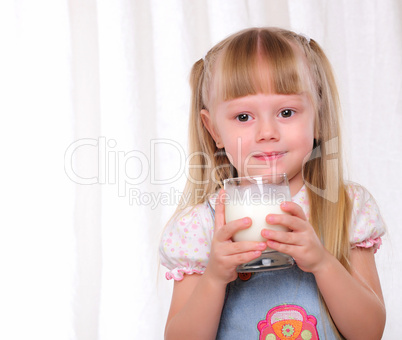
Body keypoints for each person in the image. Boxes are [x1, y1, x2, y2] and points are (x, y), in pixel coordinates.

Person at [159, 27, 386, 339]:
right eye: (243, 117)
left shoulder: (346, 207)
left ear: (317, 117)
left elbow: (369, 332)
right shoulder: (199, 227)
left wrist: (322, 263)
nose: (267, 132)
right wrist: (213, 278)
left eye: (286, 111)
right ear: (214, 130)